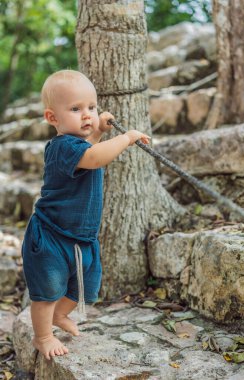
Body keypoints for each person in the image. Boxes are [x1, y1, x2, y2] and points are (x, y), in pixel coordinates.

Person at [21, 69, 150, 361]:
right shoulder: (61, 147)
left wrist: (100, 131)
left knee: (86, 287)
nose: (87, 115)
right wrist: (126, 138)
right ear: (52, 118)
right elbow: (93, 158)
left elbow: (88, 151)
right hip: (51, 234)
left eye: (91, 107)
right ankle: (42, 336)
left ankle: (58, 316)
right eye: (76, 109)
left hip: (81, 235)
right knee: (47, 290)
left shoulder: (77, 145)